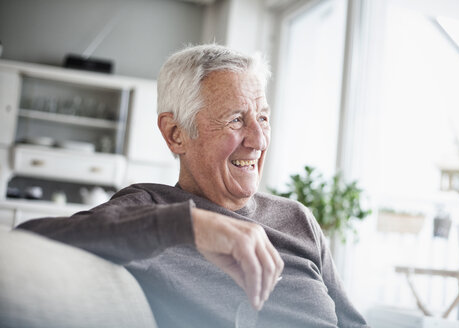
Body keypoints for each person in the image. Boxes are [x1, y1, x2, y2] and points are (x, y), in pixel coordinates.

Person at [17, 44, 368, 328]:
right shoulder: (150, 207)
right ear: (175, 134)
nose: (259, 139)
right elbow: (28, 240)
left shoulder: (298, 220)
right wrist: (189, 224)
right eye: (236, 119)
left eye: (263, 117)